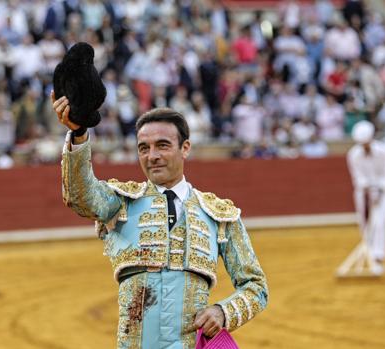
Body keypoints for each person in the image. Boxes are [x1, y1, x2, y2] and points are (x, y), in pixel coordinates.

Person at [53, 92, 268, 348]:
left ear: (185, 148)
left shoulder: (219, 214)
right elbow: (80, 195)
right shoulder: (121, 202)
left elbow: (256, 286)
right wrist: (79, 134)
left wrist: (223, 312)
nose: (152, 155)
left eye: (162, 145)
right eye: (144, 148)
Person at [346, 120, 385, 274]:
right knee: (364, 223)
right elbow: (357, 176)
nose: (364, 146)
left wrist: (379, 189)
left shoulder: (383, 151)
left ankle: (378, 257)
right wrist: (367, 188)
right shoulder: (353, 154)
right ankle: (369, 254)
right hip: (363, 192)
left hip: (383, 191)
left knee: (380, 222)